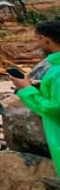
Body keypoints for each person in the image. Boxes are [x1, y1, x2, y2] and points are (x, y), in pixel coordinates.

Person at [10, 20, 60, 177]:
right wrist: (40, 86)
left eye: (37, 38)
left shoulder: (57, 70)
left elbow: (55, 109)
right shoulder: (54, 67)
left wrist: (26, 89)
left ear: (46, 39)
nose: (36, 43)